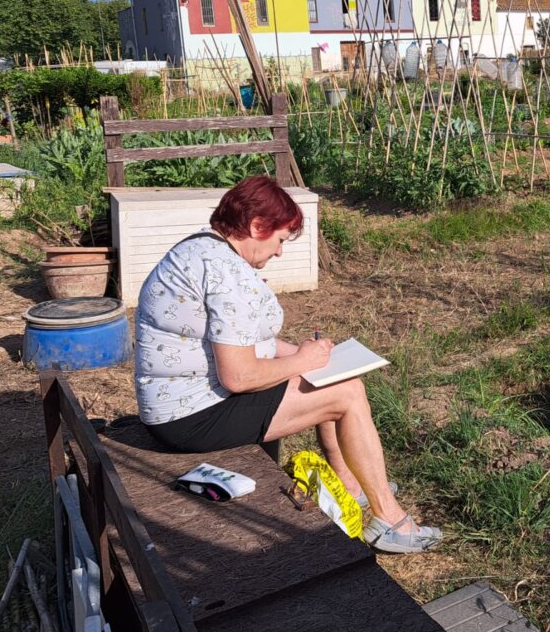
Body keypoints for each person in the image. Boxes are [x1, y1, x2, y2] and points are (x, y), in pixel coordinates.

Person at [133, 175, 440, 554]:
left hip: (178, 406)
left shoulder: (203, 250)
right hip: (192, 419)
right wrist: (301, 361)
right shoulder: (228, 275)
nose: (279, 252)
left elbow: (236, 338)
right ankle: (390, 520)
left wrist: (305, 357)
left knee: (327, 380)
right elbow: (240, 376)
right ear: (257, 226)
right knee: (347, 391)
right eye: (279, 239)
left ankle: (352, 488)